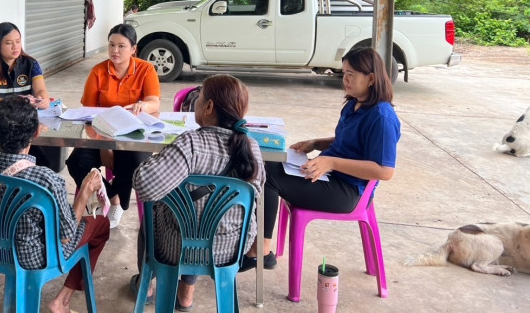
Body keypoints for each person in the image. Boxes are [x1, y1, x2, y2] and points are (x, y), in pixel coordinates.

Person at [255, 47, 401, 271]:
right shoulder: (354, 104)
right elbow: (349, 142)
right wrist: (316, 143)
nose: (345, 80)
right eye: (344, 73)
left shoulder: (382, 118)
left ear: (371, 79)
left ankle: (260, 252)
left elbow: (384, 171)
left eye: (351, 74)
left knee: (269, 177)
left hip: (348, 192)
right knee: (267, 165)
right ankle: (259, 246)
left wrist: (331, 162)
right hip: (331, 177)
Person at [132, 74, 265, 310]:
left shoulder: (191, 144)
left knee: (155, 217)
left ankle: (147, 285)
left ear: (209, 107)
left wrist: (158, 159)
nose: (196, 104)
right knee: (202, 217)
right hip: (231, 249)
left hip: (176, 248)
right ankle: (186, 294)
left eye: (199, 98)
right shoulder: (252, 147)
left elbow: (144, 185)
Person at [0, 96, 110, 313]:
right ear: (36, 133)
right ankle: (63, 300)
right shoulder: (45, 179)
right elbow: (66, 235)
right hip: (32, 256)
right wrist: (85, 192)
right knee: (100, 224)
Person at [65, 23, 161, 229]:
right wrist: (104, 145)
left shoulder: (146, 69)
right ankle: (113, 198)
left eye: (121, 46)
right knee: (76, 162)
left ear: (133, 49)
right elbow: (88, 112)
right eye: (111, 45)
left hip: (133, 136)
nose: (115, 50)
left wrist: (143, 105)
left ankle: (116, 199)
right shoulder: (98, 71)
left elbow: (154, 102)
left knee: (135, 163)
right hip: (101, 134)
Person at [0, 22, 62, 170]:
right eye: (9, 43)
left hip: (24, 129)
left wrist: (43, 99)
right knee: (7, 162)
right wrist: (21, 102)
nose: (15, 47)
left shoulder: (31, 64)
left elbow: (41, 90)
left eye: (18, 41)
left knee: (45, 160)